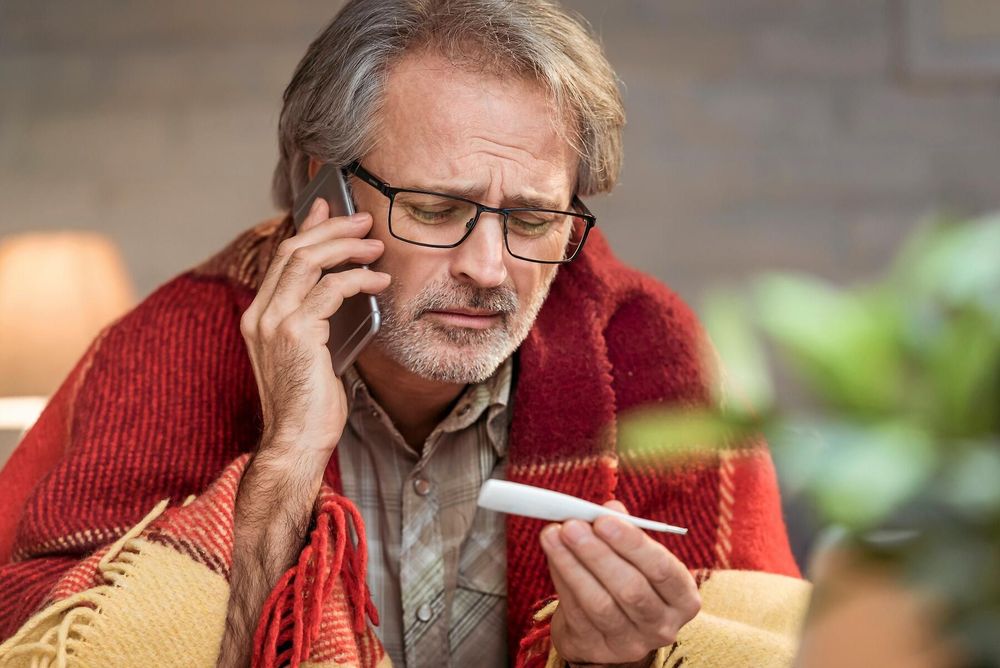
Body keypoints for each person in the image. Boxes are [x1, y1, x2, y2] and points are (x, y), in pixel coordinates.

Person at [0, 1, 809, 667]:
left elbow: (773, 641)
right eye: (435, 209)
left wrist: (614, 662)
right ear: (325, 193)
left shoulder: (652, 351)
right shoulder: (166, 352)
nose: (489, 268)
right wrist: (286, 462)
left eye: (532, 220)